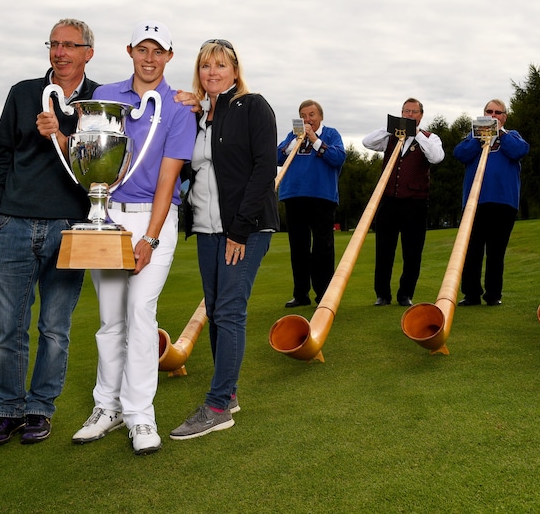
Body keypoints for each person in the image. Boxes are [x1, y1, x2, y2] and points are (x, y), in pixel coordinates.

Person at [61, 22, 197, 455]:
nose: (150, 58)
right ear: (130, 51)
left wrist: (150, 239)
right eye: (143, 49)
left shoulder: (178, 108)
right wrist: (58, 136)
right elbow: (88, 157)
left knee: (140, 312)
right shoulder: (106, 98)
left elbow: (167, 180)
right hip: (108, 217)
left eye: (159, 51)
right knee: (110, 317)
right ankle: (107, 407)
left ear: (170, 56)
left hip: (154, 221)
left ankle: (140, 414)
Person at [0, 19, 99, 447]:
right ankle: (8, 410)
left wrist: (65, 136)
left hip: (71, 227)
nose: (60, 52)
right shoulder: (22, 92)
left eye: (70, 45)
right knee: (8, 329)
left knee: (54, 328)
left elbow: (103, 169)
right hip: (12, 222)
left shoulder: (101, 100)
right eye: (54, 44)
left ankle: (39, 409)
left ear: (89, 51)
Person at [169, 39, 278, 441]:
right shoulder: (201, 116)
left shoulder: (253, 106)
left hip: (243, 229)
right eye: (204, 66)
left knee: (230, 311)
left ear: (235, 70)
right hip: (206, 229)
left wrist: (239, 229)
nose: (212, 72)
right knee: (215, 311)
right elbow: (192, 170)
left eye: (220, 65)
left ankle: (216, 407)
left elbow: (264, 168)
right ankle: (227, 394)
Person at [362, 98, 444, 307]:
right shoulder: (390, 137)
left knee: (412, 252)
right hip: (388, 201)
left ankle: (405, 294)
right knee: (384, 250)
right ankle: (382, 294)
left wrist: (416, 133)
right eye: (405, 111)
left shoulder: (429, 137)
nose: (409, 115)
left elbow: (436, 157)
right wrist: (390, 128)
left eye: (413, 112)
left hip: (415, 203)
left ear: (420, 115)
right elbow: (367, 142)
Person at [453, 99, 529, 306]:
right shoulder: (473, 136)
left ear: (504, 117)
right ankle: (471, 294)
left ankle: (493, 294)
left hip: (503, 201)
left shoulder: (511, 135)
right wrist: (478, 138)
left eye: (498, 113)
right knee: (472, 250)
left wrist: (500, 133)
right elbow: (460, 154)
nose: (493, 115)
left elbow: (519, 151)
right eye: (489, 111)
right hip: (474, 202)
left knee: (496, 251)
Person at [278, 100, 346, 308]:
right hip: (294, 195)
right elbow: (276, 157)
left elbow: (338, 158)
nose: (308, 120)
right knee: (298, 248)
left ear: (320, 117)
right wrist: (294, 142)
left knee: (322, 248)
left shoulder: (331, 134)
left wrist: (315, 140)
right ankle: (301, 294)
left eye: (312, 115)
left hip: (321, 196)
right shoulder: (292, 136)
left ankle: (324, 295)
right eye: (303, 115)